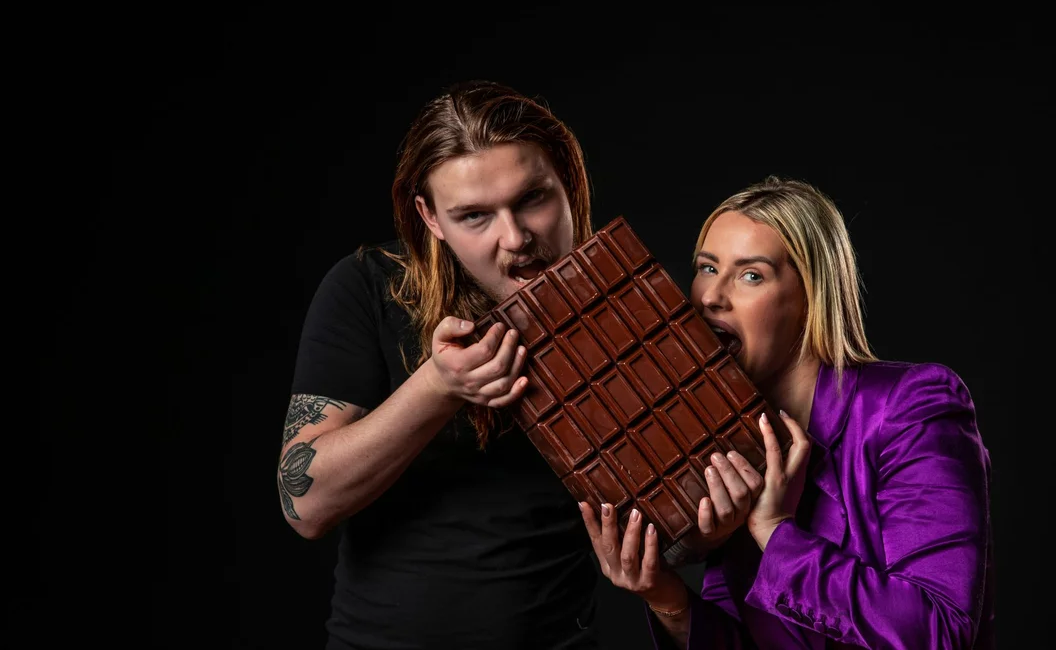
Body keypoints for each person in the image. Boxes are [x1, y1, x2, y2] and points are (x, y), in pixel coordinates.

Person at [580, 176, 996, 649]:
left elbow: (940, 633)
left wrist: (774, 531)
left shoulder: (912, 406)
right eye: (707, 268)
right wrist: (664, 595)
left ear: (810, 297)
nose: (711, 297)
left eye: (750, 274)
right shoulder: (732, 440)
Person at [279, 80, 602, 649]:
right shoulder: (369, 287)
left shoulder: (631, 310)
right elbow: (303, 502)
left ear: (569, 183)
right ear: (430, 218)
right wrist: (436, 387)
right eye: (474, 216)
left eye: (532, 199)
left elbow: (686, 532)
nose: (516, 238)